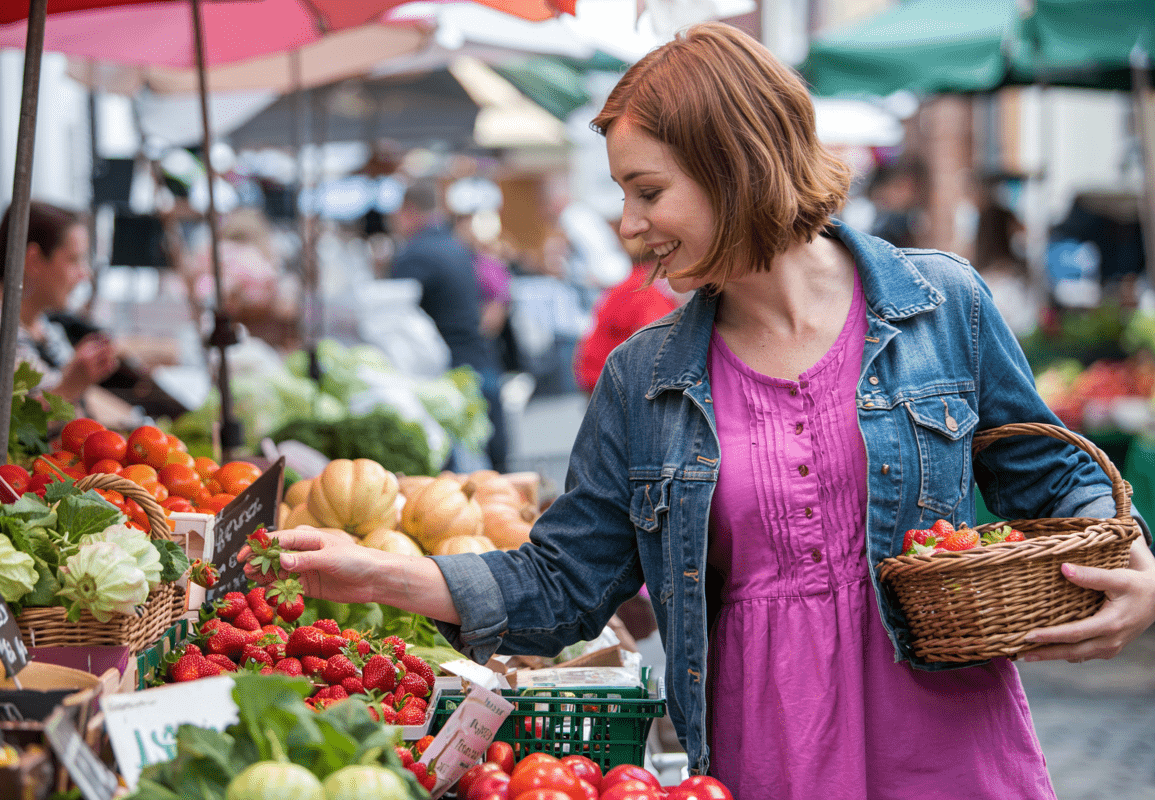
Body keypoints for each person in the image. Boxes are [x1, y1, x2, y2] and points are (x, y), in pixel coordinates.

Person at [241, 23, 1155, 798]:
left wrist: (1137, 564)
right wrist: (378, 575)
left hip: (957, 748)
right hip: (771, 757)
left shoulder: (940, 305)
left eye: (648, 190)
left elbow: (1057, 475)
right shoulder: (644, 379)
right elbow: (563, 586)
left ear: (736, 165)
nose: (629, 225)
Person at [391, 180, 508, 473]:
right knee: (493, 466)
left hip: (449, 370)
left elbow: (393, 316)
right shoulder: (458, 247)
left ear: (409, 211)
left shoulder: (415, 254)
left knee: (460, 474)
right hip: (478, 356)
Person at [0, 201, 118, 408]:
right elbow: (8, 431)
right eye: (74, 260)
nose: (85, 274)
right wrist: (69, 387)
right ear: (33, 260)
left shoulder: (39, 324)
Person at [573, 233, 682, 394]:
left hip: (596, 376)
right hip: (610, 382)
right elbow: (663, 342)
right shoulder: (645, 289)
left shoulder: (629, 284)